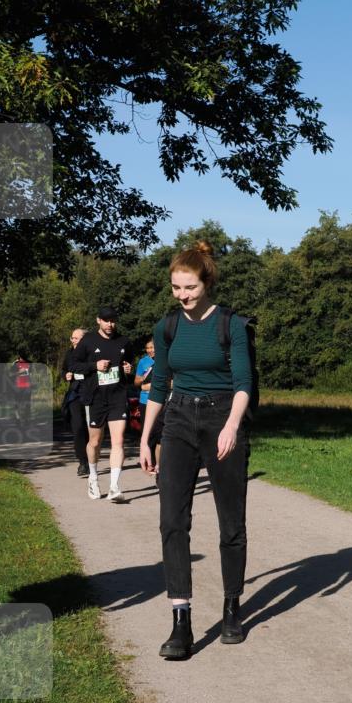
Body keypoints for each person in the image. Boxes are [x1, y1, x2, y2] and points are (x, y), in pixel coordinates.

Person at [140, 241, 252, 659]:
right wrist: (147, 437)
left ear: (206, 283)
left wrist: (231, 427)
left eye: (189, 287)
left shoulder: (231, 324)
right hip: (179, 420)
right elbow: (160, 384)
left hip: (224, 417)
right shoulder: (167, 327)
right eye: (175, 288)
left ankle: (231, 608)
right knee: (172, 519)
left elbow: (243, 382)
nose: (182, 295)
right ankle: (180, 620)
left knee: (230, 522)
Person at [72, 305, 133, 503]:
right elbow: (73, 364)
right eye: (106, 320)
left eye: (113, 320)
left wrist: (128, 368)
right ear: (98, 320)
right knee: (95, 442)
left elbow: (130, 364)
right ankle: (93, 477)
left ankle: (115, 487)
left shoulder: (123, 341)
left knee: (118, 441)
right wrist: (94, 366)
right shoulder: (88, 340)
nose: (110, 324)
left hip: (117, 396)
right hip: (96, 397)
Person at [61, 328, 89, 476]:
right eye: (72, 338)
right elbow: (63, 370)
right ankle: (82, 462)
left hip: (90, 393)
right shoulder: (69, 353)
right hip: (75, 394)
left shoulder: (90, 353)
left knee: (91, 429)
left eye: (76, 338)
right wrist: (66, 375)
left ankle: (91, 459)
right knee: (77, 427)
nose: (73, 341)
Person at [134, 337, 164, 473]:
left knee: (160, 433)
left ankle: (159, 464)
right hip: (145, 402)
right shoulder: (143, 362)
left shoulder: (165, 360)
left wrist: (149, 386)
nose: (150, 350)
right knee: (148, 433)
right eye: (148, 348)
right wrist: (143, 379)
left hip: (161, 402)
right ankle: (149, 461)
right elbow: (137, 383)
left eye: (152, 347)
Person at [10, 352, 32, 425]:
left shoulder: (29, 363)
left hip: (27, 386)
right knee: (17, 403)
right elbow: (11, 374)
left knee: (27, 403)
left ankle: (26, 419)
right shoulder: (15, 363)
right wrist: (19, 372)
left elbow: (31, 373)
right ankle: (17, 418)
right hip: (18, 386)